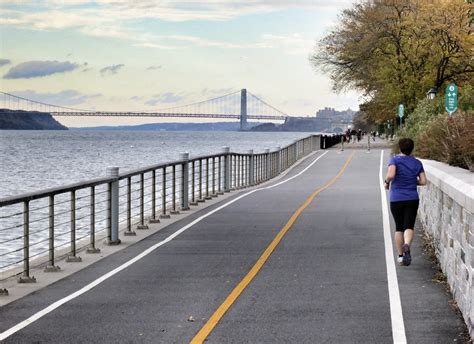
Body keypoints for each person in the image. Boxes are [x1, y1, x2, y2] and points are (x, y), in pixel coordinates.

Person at [384, 138, 427, 266]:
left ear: (400, 148)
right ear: (412, 149)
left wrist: (386, 183)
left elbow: (391, 175)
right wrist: (414, 181)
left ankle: (401, 256)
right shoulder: (417, 163)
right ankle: (407, 244)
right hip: (412, 198)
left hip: (397, 198)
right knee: (409, 225)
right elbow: (424, 181)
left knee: (399, 227)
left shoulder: (394, 160)